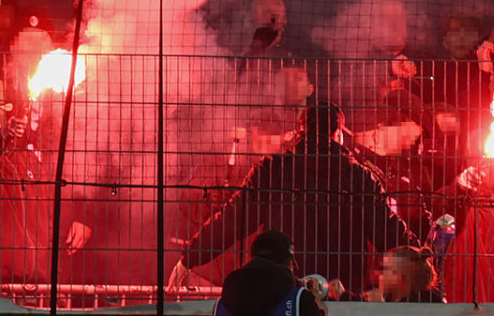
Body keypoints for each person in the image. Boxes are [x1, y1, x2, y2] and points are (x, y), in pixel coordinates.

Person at [168, 102, 418, 295]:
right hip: (340, 292)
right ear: (338, 135)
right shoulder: (359, 177)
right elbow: (388, 230)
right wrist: (424, 258)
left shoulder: (272, 170)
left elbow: (235, 218)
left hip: (283, 288)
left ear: (300, 131)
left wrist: (190, 257)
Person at [375, 245, 444, 303]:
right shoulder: (394, 299)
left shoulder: (415, 306)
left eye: (385, 269)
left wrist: (380, 308)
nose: (378, 273)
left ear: (400, 277)